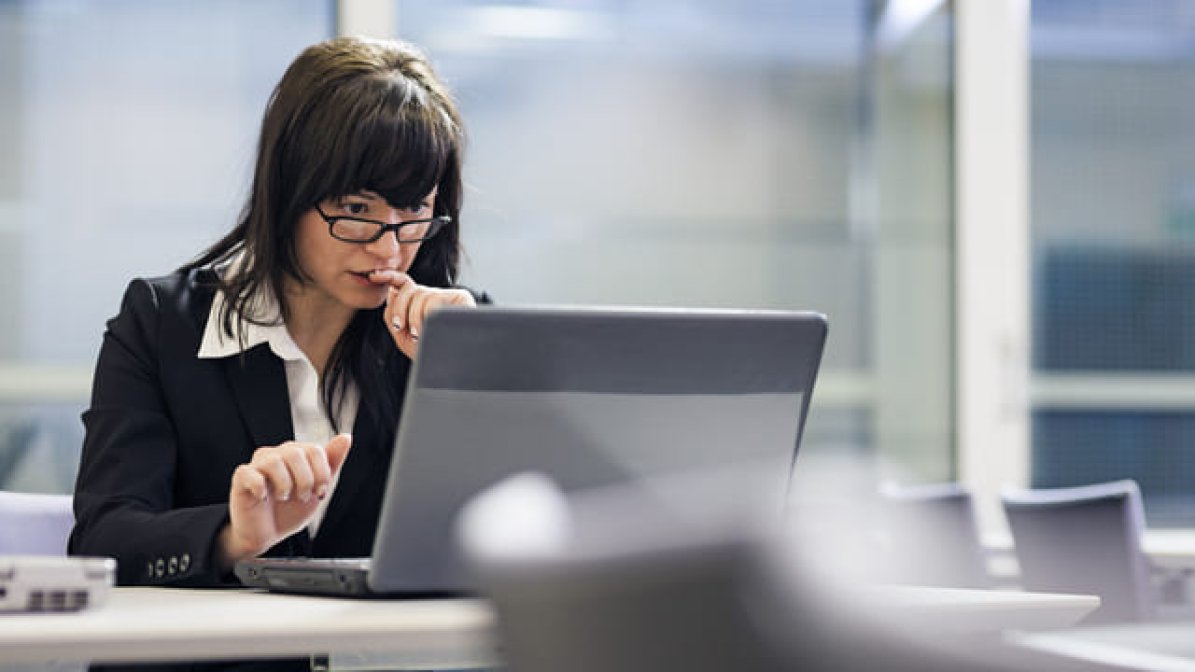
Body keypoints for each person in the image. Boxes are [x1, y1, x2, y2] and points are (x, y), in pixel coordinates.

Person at [69, 34, 484, 608]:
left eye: (413, 210)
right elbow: (100, 543)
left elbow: (529, 537)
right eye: (356, 210)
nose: (388, 249)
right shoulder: (164, 325)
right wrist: (233, 538)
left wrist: (467, 385)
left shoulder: (452, 331)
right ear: (289, 190)